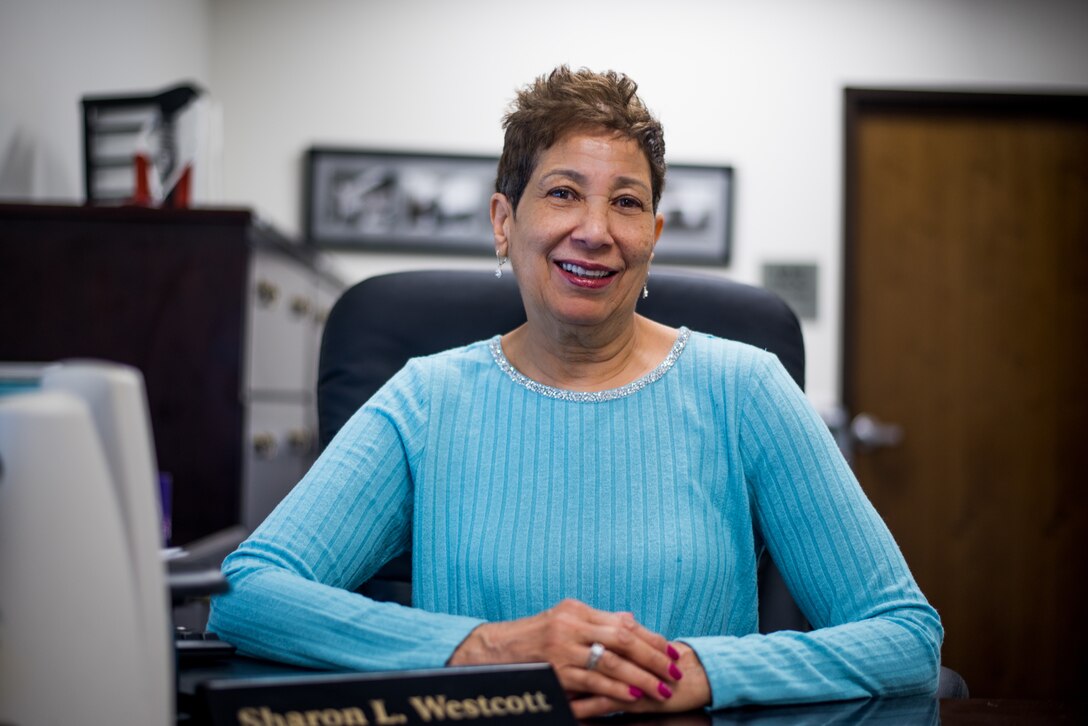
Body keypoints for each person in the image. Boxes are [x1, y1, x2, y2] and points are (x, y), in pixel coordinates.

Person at [208, 66, 943, 718]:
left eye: (626, 203)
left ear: (653, 234)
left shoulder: (745, 389)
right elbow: (248, 596)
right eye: (563, 193)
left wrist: (705, 672)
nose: (595, 231)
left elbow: (905, 636)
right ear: (504, 222)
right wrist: (481, 649)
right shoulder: (426, 400)